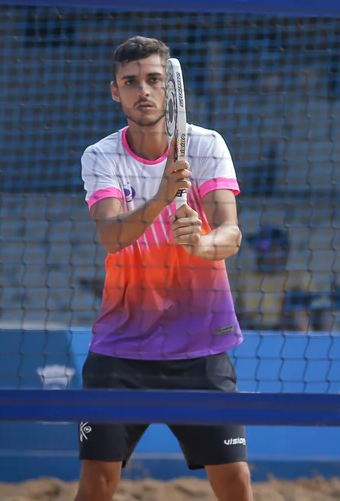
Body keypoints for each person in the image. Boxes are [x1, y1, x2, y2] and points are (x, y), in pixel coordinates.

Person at [77, 36, 252, 501]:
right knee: (97, 483)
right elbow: (112, 236)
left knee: (235, 482)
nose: (144, 91)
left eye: (154, 80)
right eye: (130, 82)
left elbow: (230, 236)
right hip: (121, 349)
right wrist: (159, 199)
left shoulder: (207, 145)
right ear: (115, 91)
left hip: (200, 345)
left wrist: (201, 243)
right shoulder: (101, 156)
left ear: (168, 88)